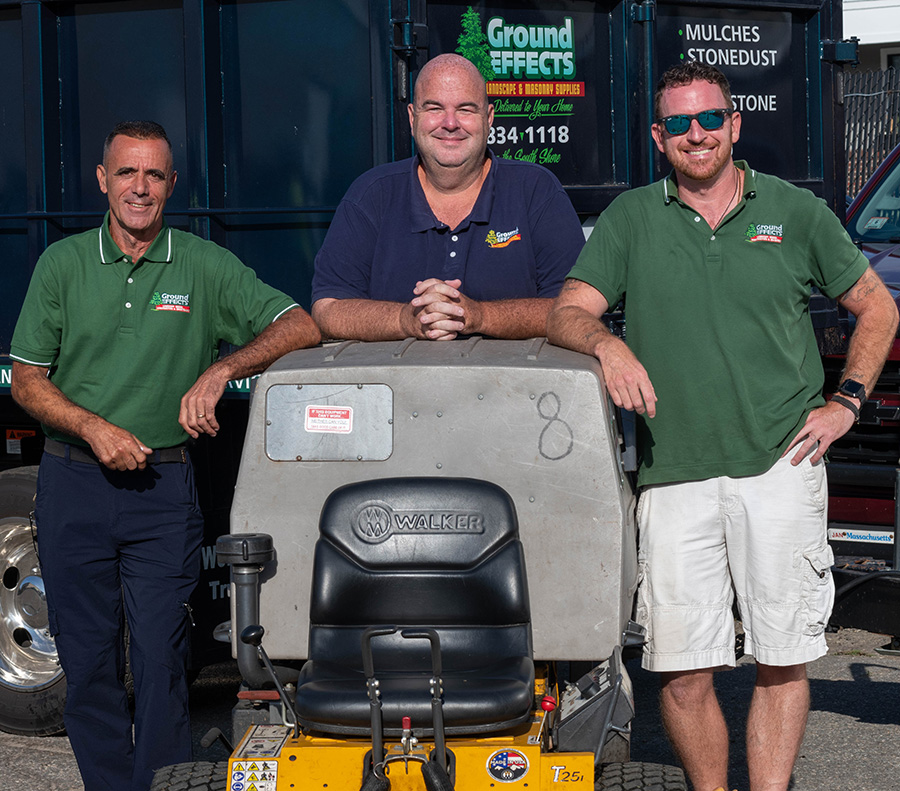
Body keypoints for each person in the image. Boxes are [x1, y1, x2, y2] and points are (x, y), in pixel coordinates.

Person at [546, 62, 898, 791]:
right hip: (674, 475)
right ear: (658, 136)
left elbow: (879, 306)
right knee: (680, 670)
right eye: (679, 124)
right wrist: (608, 343)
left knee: (781, 653)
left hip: (781, 465)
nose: (696, 135)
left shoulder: (794, 213)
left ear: (735, 126)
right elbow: (565, 311)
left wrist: (848, 401)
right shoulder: (632, 219)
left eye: (710, 119)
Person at [9, 120, 320, 791]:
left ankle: (163, 785)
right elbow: (29, 378)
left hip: (162, 491)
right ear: (103, 180)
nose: (140, 188)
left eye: (154, 175)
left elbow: (299, 321)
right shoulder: (61, 265)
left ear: (172, 184)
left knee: (162, 659)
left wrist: (221, 370)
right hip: (74, 485)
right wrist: (92, 428)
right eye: (127, 173)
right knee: (89, 664)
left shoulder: (202, 265)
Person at [311, 53, 584, 341]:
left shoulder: (536, 190)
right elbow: (328, 309)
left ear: (489, 118)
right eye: (435, 108)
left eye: (466, 109)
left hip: (513, 386)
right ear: (412, 117)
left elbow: (575, 308)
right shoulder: (371, 195)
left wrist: (479, 316)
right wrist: (408, 320)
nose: (450, 123)